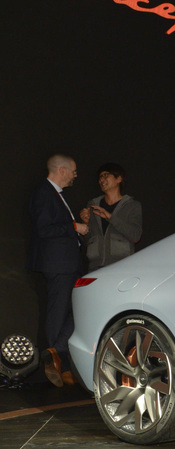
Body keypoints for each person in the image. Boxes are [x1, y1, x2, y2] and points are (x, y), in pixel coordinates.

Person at [27, 154, 88, 387]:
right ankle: (58, 360)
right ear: (61, 170)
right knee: (59, 311)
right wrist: (74, 227)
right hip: (58, 264)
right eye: (73, 171)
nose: (75, 175)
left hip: (65, 264)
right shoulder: (44, 193)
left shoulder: (54, 194)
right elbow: (44, 229)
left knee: (74, 309)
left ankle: (56, 354)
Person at [79, 163, 142, 272]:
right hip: (95, 266)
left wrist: (110, 217)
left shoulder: (132, 205)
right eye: (100, 177)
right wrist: (86, 224)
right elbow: (87, 240)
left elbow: (135, 235)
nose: (101, 179)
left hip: (122, 265)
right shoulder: (93, 205)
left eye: (106, 175)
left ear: (119, 179)